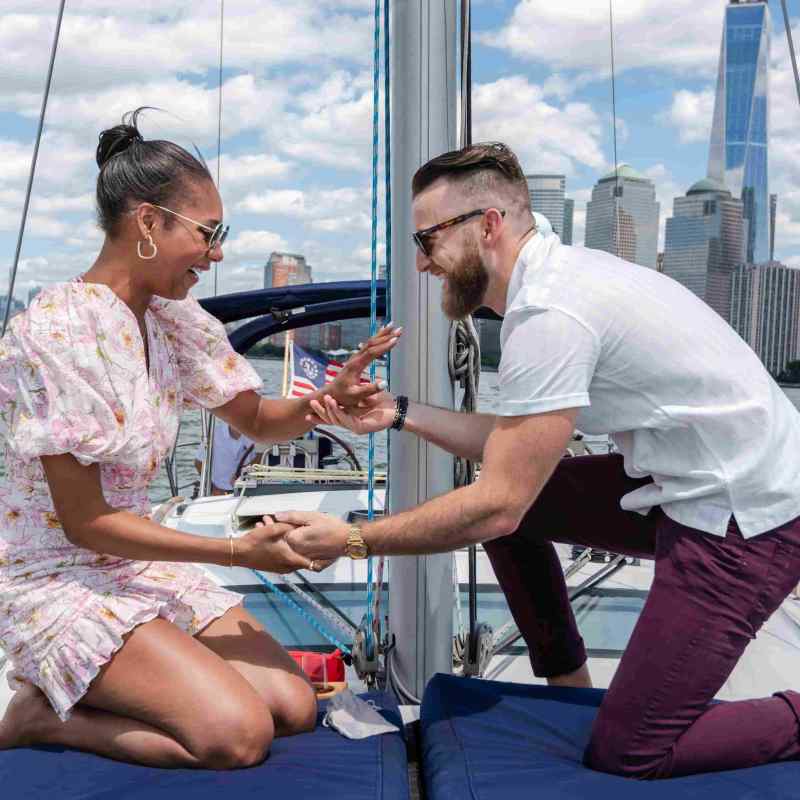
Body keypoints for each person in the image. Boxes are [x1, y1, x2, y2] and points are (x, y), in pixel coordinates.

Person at [273, 142, 800, 779]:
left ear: (488, 225)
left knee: (633, 752)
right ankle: (570, 690)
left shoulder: (551, 310)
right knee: (524, 512)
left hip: (749, 518)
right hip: (685, 484)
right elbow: (512, 442)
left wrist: (354, 539)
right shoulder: (553, 282)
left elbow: (498, 503)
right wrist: (397, 411)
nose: (420, 261)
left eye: (428, 239)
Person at [0, 108, 400, 769]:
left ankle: (122, 688)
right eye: (209, 233)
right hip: (58, 579)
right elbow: (86, 522)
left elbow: (257, 419)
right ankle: (42, 717)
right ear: (149, 223)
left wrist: (327, 404)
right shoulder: (62, 330)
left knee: (294, 709)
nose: (217, 255)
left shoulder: (170, 318)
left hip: (131, 569)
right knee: (238, 737)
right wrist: (239, 550)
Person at [194, 422, 256, 495]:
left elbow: (256, 462)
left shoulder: (253, 435)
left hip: (245, 488)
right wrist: (213, 489)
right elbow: (198, 463)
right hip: (217, 491)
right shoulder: (214, 434)